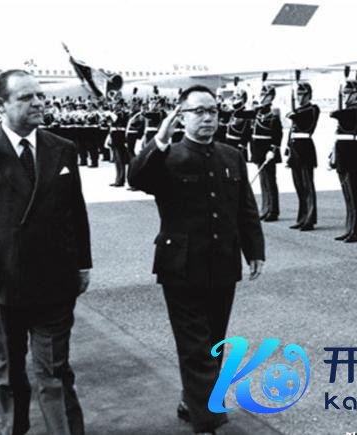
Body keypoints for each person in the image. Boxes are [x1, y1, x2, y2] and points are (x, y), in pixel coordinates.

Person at [0, 70, 92, 434]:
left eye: (40, 95)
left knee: (55, 371)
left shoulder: (62, 148)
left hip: (54, 283)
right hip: (2, 285)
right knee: (8, 373)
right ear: (1, 105)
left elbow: (76, 211)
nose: (38, 103)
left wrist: (82, 264)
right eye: (26, 98)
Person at [128, 85, 265, 434]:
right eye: (198, 112)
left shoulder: (231, 155)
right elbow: (136, 177)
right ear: (181, 116)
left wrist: (255, 251)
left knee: (214, 343)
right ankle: (207, 420)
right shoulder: (168, 156)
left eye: (213, 111)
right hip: (181, 265)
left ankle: (192, 401)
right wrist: (159, 140)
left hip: (222, 262)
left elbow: (245, 208)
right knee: (195, 347)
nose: (207, 118)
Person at [330, 80, 357, 242]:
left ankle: (356, 230)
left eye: (348, 93)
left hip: (352, 156)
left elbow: (335, 114)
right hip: (343, 155)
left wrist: (339, 108)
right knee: (348, 196)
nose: (345, 96)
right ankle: (349, 228)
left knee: (354, 194)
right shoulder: (347, 111)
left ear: (356, 95)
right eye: (343, 93)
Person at [286, 82, 319, 230]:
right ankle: (302, 217)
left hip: (305, 149)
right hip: (295, 149)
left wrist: (294, 114)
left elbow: (305, 122)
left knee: (307, 186)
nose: (300, 97)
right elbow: (292, 130)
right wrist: (288, 147)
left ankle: (310, 219)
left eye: (302, 94)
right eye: (298, 94)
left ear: (309, 95)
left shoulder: (313, 109)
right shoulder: (298, 111)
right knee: (299, 186)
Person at [250, 87, 282, 222]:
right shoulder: (258, 111)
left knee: (270, 181)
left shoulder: (273, 114)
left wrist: (273, 149)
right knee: (263, 181)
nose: (262, 97)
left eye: (265, 95)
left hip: (267, 150)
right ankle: (265, 208)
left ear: (271, 97)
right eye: (262, 94)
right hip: (258, 150)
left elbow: (278, 134)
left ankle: (273, 210)